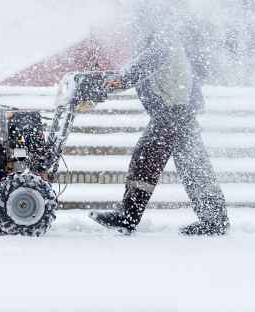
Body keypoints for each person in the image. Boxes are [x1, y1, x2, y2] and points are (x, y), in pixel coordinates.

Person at [89, 14, 230, 236]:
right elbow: (141, 65)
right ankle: (215, 219)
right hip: (179, 111)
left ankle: (128, 216)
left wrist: (121, 80)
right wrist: (113, 78)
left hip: (173, 111)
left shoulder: (162, 39)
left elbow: (147, 62)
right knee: (192, 166)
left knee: (145, 159)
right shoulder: (159, 40)